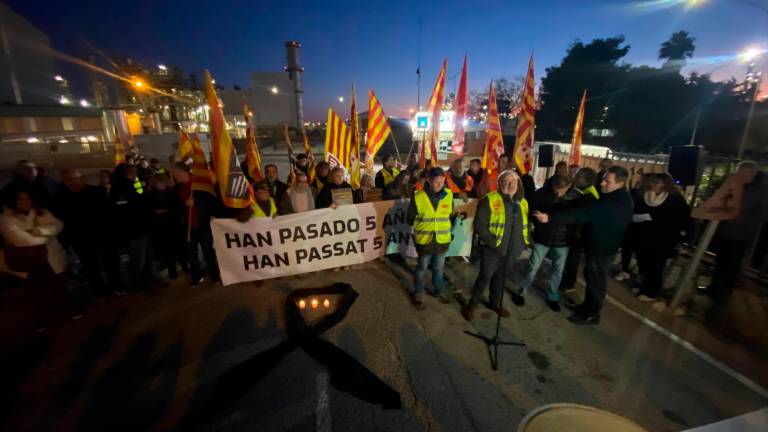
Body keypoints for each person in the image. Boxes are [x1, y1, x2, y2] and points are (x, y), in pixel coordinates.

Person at [533, 165, 633, 325]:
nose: (602, 183)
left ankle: (592, 314)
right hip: (596, 245)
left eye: (608, 181)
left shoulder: (614, 203)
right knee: (591, 278)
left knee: (596, 282)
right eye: (603, 179)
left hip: (602, 249)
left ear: (620, 184)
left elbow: (582, 214)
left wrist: (549, 218)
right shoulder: (613, 196)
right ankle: (586, 307)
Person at [0, 186, 74, 330]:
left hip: (50, 257)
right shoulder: (6, 219)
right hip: (29, 261)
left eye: (28, 197)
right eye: (21, 199)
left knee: (58, 287)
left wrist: (40, 231)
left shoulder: (41, 212)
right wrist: (46, 236)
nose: (26, 201)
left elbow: (58, 225)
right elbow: (23, 241)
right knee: (37, 293)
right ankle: (42, 320)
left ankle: (63, 315)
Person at [462, 170, 529, 321]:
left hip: (512, 250)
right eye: (506, 181)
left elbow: (525, 223)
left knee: (501, 277)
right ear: (499, 183)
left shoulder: (522, 202)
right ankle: (472, 305)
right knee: (485, 276)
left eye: (514, 181)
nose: (511, 184)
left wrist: (524, 242)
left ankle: (494, 302)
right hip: (492, 249)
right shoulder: (490, 200)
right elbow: (479, 226)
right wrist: (493, 243)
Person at [707, 161, 768, 308]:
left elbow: (763, 215)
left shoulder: (762, 190)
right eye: (740, 173)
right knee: (720, 259)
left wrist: (738, 215)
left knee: (732, 262)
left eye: (746, 174)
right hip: (724, 228)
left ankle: (724, 293)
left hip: (741, 233)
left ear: (753, 174)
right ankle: (715, 287)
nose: (742, 176)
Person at [513, 174, 572, 312]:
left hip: (564, 239)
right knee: (533, 267)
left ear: (569, 186)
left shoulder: (575, 197)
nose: (558, 193)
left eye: (562, 190)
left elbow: (576, 217)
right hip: (543, 237)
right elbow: (529, 211)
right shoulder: (540, 194)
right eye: (556, 189)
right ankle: (521, 291)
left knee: (558, 270)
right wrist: (536, 218)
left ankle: (552, 296)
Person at [53, 169, 114, 299]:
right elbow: (62, 218)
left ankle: (115, 285)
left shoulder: (96, 192)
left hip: (101, 234)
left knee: (110, 260)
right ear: (64, 181)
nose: (73, 182)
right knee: (90, 266)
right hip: (80, 238)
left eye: (76, 178)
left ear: (82, 178)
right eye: (69, 180)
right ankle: (99, 290)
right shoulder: (60, 198)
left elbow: (106, 213)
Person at [633, 173, 691, 302]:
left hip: (663, 239)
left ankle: (651, 292)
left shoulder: (674, 199)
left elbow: (682, 219)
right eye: (652, 182)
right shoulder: (645, 195)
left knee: (656, 265)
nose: (652, 185)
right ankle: (643, 285)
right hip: (644, 235)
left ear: (665, 185)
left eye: (656, 183)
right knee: (644, 261)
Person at [406, 167, 455, 310]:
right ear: (429, 180)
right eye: (437, 182)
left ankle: (438, 290)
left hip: (442, 240)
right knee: (421, 268)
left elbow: (449, 214)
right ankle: (418, 292)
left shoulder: (449, 195)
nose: (440, 185)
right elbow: (409, 219)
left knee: (438, 269)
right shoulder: (418, 196)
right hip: (425, 241)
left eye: (442, 182)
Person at [108, 164, 154, 293]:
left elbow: (140, 198)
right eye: (133, 173)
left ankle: (147, 282)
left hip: (141, 228)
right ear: (126, 174)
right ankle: (138, 286)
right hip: (135, 230)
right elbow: (129, 209)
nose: (135, 175)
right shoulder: (121, 188)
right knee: (138, 261)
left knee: (146, 259)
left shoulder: (131, 183)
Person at [172, 163, 219, 286]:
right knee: (191, 253)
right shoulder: (177, 188)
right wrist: (184, 204)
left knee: (208, 251)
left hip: (202, 223)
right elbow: (175, 207)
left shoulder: (199, 183)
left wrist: (212, 214)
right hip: (187, 226)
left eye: (175, 173)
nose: (173, 176)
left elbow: (211, 199)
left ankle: (214, 276)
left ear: (183, 172)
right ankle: (197, 276)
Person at [559, 168, 600, 295]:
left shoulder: (589, 194)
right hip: (577, 231)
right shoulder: (584, 190)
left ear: (585, 179)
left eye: (578, 176)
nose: (575, 177)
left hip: (580, 233)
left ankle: (568, 284)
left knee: (572, 259)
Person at [615, 173, 654, 282]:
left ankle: (641, 274)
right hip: (631, 225)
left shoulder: (653, 195)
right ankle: (625, 270)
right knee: (627, 249)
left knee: (641, 252)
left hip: (645, 228)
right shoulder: (634, 192)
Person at [147, 173, 181, 280]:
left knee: (171, 248)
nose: (161, 184)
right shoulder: (150, 194)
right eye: (158, 182)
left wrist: (166, 211)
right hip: (157, 227)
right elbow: (148, 210)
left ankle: (172, 271)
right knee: (161, 249)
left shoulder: (171, 193)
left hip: (170, 225)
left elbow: (176, 208)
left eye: (162, 182)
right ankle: (164, 268)